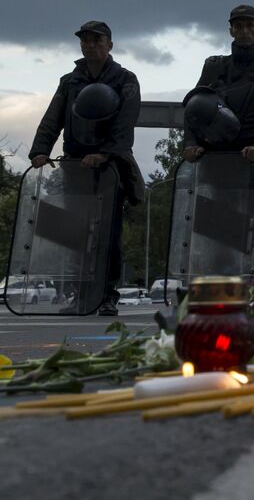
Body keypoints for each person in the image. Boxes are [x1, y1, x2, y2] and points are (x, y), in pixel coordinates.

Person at [28, 21, 144, 316]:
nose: (90, 45)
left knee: (107, 234)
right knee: (77, 234)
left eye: (96, 40)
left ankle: (107, 296)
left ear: (109, 45)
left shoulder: (125, 79)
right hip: (75, 165)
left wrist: (104, 154)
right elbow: (53, 117)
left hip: (110, 168)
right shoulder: (70, 81)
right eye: (85, 41)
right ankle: (80, 297)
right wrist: (40, 151)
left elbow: (125, 122)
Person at [182, 4, 254, 276]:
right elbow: (195, 112)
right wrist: (190, 144)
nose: (244, 30)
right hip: (217, 166)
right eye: (238, 26)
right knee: (216, 235)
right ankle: (216, 294)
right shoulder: (214, 68)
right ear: (231, 30)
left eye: (249, 25)